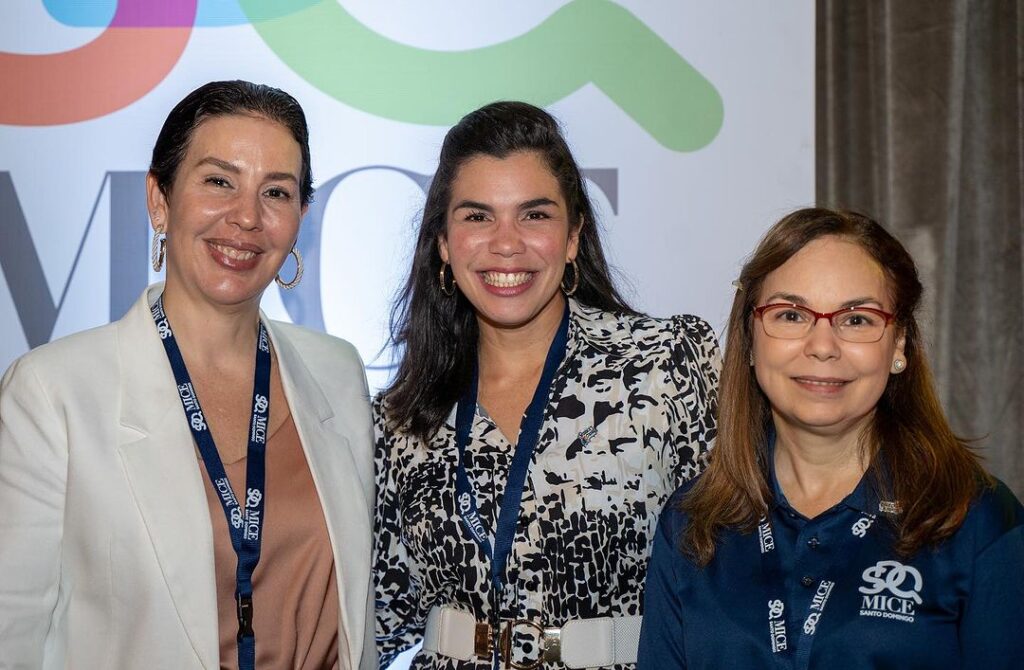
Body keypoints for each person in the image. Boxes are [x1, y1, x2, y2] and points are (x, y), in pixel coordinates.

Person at [0, 80, 376, 669]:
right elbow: (10, 632)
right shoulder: (52, 394)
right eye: (219, 181)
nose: (247, 217)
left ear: (300, 217)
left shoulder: (338, 374)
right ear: (160, 198)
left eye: (276, 192)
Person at [373, 101, 720, 670]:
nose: (506, 243)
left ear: (573, 235)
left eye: (534, 215)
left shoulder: (663, 366)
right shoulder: (401, 418)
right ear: (443, 243)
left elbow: (737, 572)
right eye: (477, 217)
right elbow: (373, 618)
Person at [637, 208, 1024, 669]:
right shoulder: (691, 523)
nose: (822, 346)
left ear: (899, 343)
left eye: (857, 319)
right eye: (791, 314)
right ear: (750, 338)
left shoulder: (976, 520)